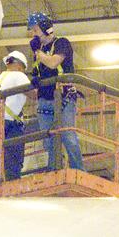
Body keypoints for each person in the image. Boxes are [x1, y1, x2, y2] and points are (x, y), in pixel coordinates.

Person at [27, 12, 84, 172]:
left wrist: (38, 52)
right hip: (45, 100)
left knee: (68, 136)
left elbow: (53, 63)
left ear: (45, 28)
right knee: (48, 140)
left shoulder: (61, 43)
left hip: (63, 97)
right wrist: (35, 79)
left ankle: (77, 170)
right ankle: (54, 170)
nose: (33, 34)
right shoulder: (38, 53)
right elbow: (37, 71)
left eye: (35, 30)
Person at [0, 50, 30, 187]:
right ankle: (13, 186)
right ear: (20, 66)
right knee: (13, 157)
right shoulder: (19, 76)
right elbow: (32, 94)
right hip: (10, 123)